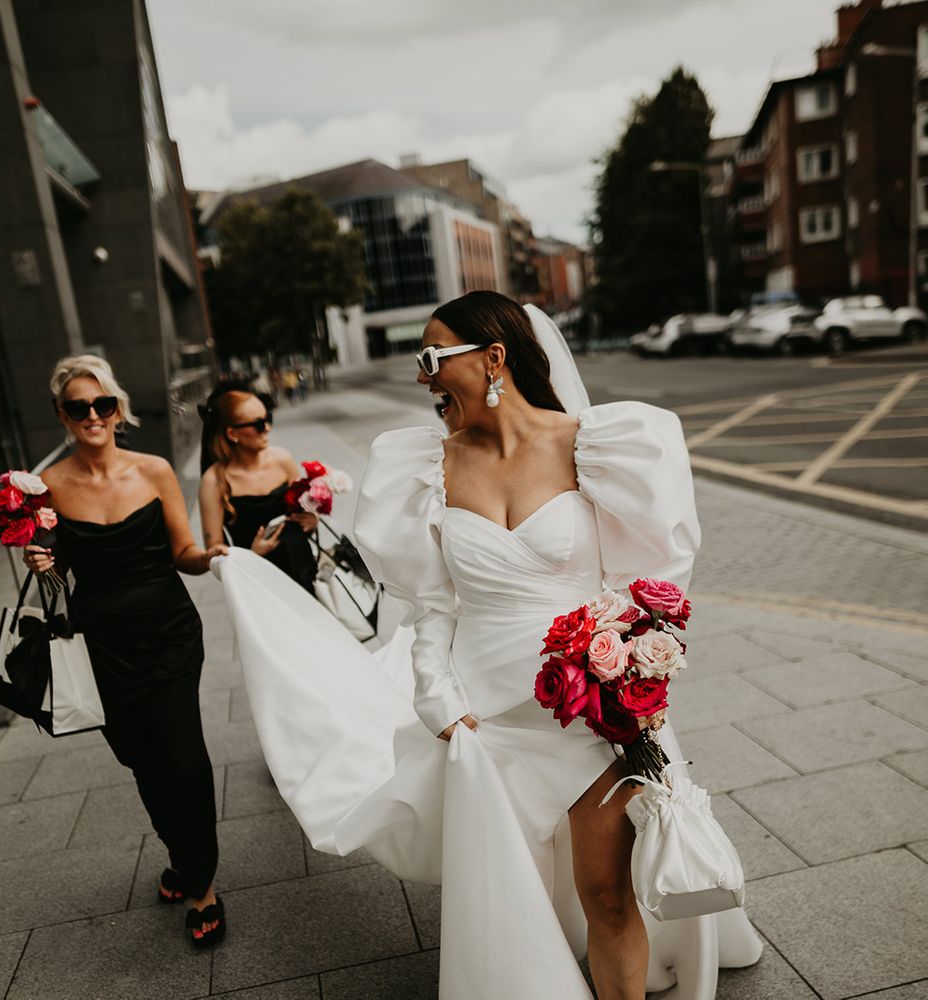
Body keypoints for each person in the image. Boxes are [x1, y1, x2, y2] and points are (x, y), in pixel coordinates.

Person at [211, 292, 762, 998]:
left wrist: (629, 661)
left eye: (432, 357)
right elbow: (435, 604)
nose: (422, 376)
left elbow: (647, 580)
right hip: (486, 722)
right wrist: (434, 691)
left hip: (589, 715)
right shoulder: (428, 469)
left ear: (494, 358)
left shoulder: (593, 444)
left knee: (609, 895)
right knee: (510, 902)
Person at [23, 355, 228, 948]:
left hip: (167, 633)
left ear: (118, 410)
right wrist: (43, 561)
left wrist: (212, 557)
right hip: (102, 644)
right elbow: (58, 571)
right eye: (79, 407)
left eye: (102, 404)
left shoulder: (154, 470)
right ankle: (181, 858)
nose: (93, 415)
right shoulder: (51, 486)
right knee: (142, 762)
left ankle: (202, 887)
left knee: (183, 760)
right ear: (64, 416)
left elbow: (182, 552)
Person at [199, 388, 318, 593]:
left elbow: (303, 513)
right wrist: (252, 556)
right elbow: (214, 555)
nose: (267, 428)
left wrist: (312, 521)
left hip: (303, 571)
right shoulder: (214, 481)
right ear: (232, 433)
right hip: (257, 584)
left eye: (268, 418)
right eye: (258, 424)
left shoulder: (283, 460)